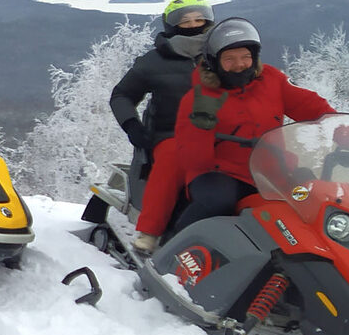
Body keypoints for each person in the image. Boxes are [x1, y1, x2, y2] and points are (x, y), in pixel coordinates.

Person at [132, 18, 336, 251]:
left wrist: (339, 128)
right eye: (229, 59)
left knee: (312, 198)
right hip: (220, 171)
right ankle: (175, 248)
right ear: (214, 62)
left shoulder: (272, 80)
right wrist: (202, 127)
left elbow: (311, 105)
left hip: (271, 170)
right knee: (217, 201)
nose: (240, 65)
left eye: (245, 57)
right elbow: (193, 160)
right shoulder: (200, 98)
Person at [109, 0, 214, 220]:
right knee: (172, 163)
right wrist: (132, 126)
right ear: (172, 25)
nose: (193, 25)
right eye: (185, 21)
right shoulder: (154, 62)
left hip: (221, 134)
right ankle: (152, 228)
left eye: (198, 19)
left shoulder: (223, 55)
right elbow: (121, 94)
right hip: (171, 134)